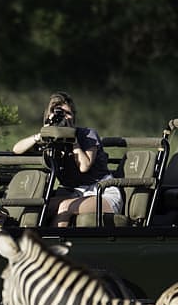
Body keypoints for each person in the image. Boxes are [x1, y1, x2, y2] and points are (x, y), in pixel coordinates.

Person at [11, 91, 121, 226]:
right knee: (41, 206)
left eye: (67, 113)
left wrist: (73, 140)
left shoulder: (87, 135)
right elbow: (17, 149)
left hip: (101, 192)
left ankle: (55, 245)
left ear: (74, 117)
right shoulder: (50, 139)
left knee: (64, 207)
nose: (64, 118)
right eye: (58, 114)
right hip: (74, 193)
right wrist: (42, 134)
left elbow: (84, 166)